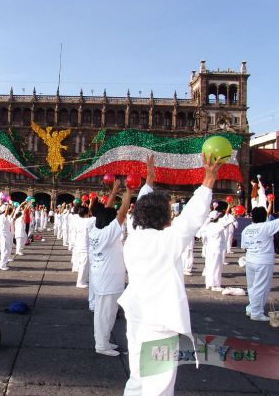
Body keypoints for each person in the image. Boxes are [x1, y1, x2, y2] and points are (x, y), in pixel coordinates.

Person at [118, 154, 222, 395]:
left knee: (137, 377)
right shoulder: (166, 241)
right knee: (158, 385)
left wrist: (150, 178)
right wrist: (208, 180)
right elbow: (191, 219)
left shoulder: (133, 238)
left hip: (137, 316)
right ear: (165, 218)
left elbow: (145, 204)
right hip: (160, 323)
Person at [88, 179, 132, 357]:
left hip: (102, 279)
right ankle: (101, 345)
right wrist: (128, 193)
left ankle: (103, 341)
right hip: (108, 281)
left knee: (104, 313)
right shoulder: (107, 234)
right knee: (105, 315)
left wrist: (114, 192)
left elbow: (107, 212)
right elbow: (120, 215)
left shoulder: (95, 229)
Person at [241, 195, 279, 321]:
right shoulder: (266, 227)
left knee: (252, 287)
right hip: (263, 261)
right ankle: (256, 313)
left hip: (250, 260)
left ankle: (251, 308)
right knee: (261, 287)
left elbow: (244, 246)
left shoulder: (246, 229)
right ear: (265, 216)